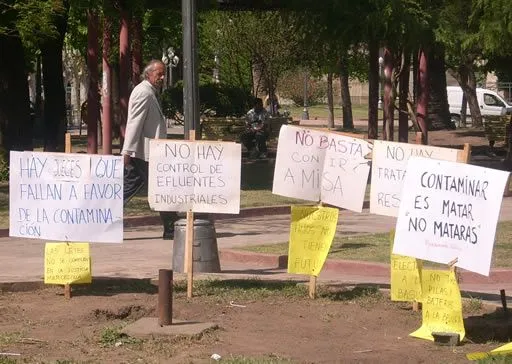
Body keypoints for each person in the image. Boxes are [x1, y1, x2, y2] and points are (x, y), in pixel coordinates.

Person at [122, 59, 178, 240]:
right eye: (158, 74)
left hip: (150, 152)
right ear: (148, 74)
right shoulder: (143, 93)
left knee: (134, 186)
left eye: (163, 74)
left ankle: (101, 214)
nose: (162, 77)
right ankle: (171, 227)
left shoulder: (150, 92)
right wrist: (127, 151)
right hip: (145, 153)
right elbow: (134, 123)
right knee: (162, 189)